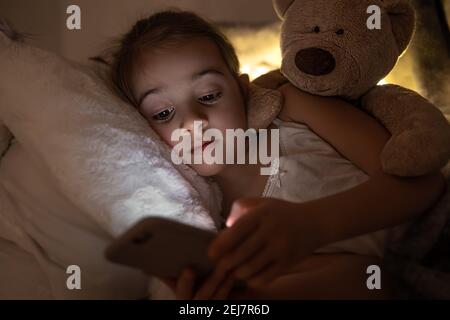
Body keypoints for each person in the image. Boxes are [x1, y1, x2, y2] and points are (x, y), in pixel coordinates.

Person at [111, 10, 444, 299]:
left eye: (210, 95)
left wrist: (312, 224)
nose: (194, 121)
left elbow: (420, 182)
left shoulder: (294, 107)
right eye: (163, 114)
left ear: (242, 91)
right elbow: (363, 277)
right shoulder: (207, 218)